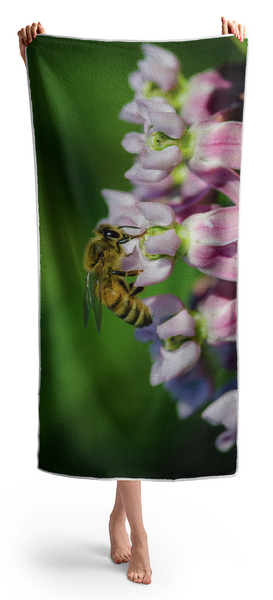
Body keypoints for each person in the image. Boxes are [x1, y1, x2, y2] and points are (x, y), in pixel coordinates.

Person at [17, 17, 246, 585]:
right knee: (127, 430)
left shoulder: (165, 220)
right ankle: (139, 537)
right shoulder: (162, 252)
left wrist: (241, 56)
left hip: (187, 311)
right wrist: (40, 69)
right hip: (178, 316)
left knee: (128, 438)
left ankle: (119, 521)